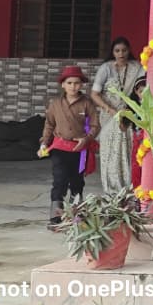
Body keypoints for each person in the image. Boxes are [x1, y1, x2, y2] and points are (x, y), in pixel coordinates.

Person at [41, 65, 98, 228]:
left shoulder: (87, 103)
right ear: (63, 85)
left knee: (77, 182)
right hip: (59, 148)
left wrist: (86, 139)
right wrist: (44, 143)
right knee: (59, 180)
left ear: (81, 85)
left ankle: (76, 215)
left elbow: (95, 126)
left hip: (80, 150)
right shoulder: (55, 104)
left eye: (77, 83)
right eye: (69, 83)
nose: (73, 86)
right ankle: (55, 217)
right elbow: (49, 125)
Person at [89, 37, 145, 194]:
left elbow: (143, 87)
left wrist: (130, 109)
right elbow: (94, 94)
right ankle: (112, 190)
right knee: (110, 152)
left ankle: (129, 189)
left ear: (129, 51)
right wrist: (111, 110)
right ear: (112, 52)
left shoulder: (137, 67)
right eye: (117, 51)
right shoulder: (106, 68)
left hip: (130, 116)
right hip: (109, 116)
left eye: (124, 50)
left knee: (128, 150)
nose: (121, 54)